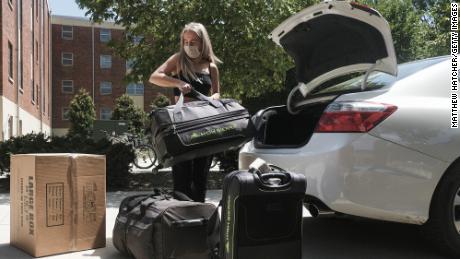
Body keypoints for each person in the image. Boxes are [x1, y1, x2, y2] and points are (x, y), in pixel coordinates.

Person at [149, 22, 222, 202]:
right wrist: (178, 83)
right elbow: (154, 77)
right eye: (186, 41)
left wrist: (215, 98)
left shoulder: (211, 66)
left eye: (193, 41)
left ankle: (199, 219)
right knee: (181, 176)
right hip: (181, 124)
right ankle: (181, 221)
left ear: (203, 42)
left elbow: (217, 92)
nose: (189, 45)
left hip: (204, 125)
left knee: (201, 176)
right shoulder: (178, 60)